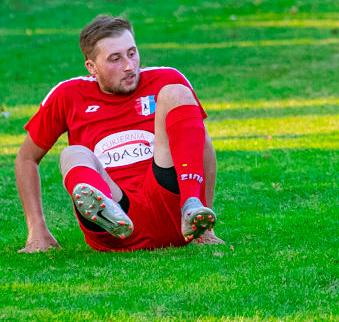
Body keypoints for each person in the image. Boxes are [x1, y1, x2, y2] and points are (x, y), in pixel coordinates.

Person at [14, 15, 220, 253]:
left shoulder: (166, 78)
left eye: (132, 53)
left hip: (171, 209)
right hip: (117, 223)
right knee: (72, 153)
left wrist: (206, 229)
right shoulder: (67, 95)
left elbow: (201, 145)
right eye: (115, 59)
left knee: (176, 93)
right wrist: (37, 229)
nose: (129, 66)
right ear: (91, 67)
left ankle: (192, 207)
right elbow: (26, 159)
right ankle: (105, 210)